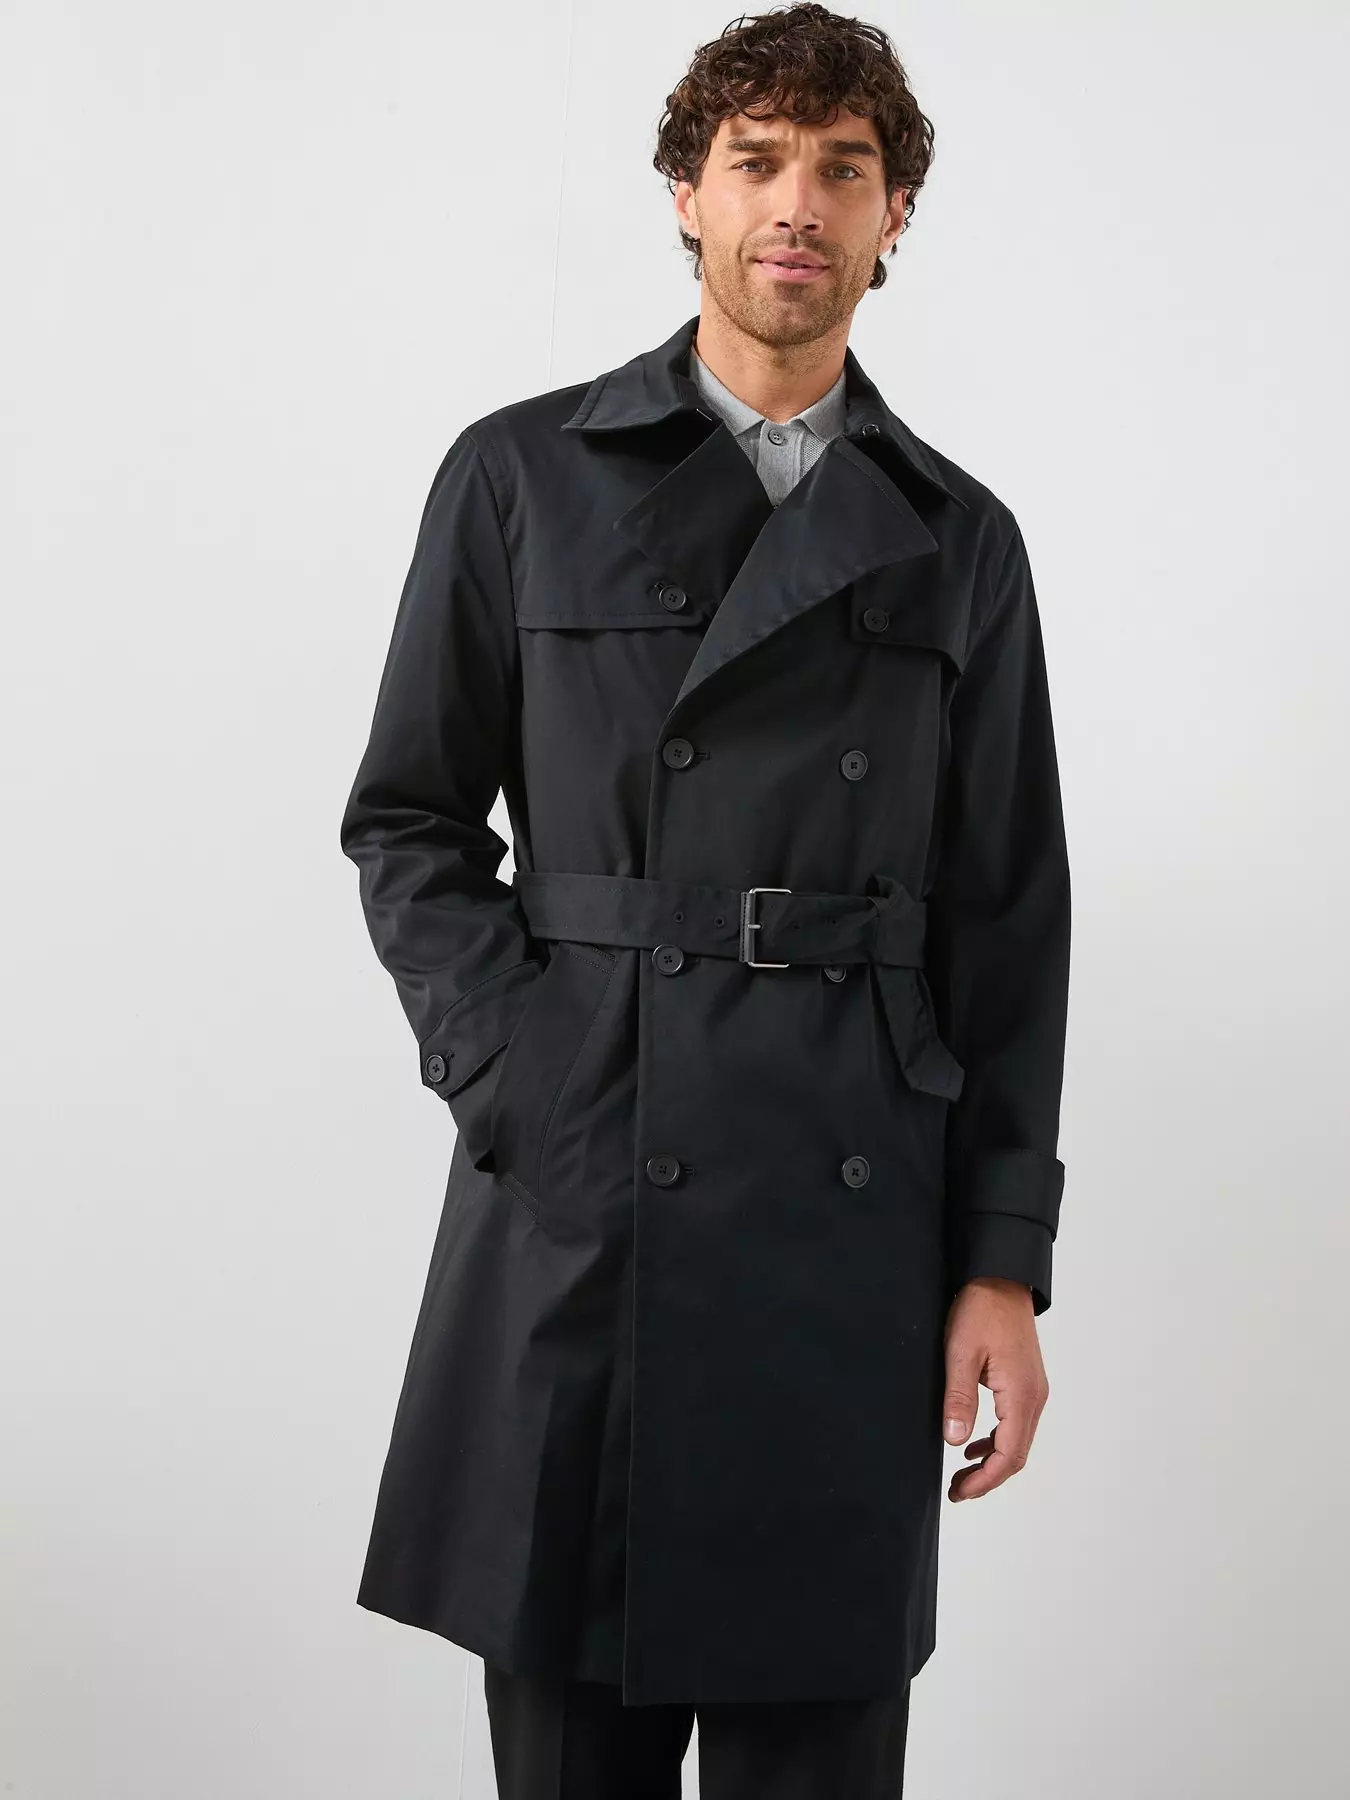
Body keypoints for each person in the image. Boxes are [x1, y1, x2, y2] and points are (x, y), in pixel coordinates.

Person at [339, 4, 1071, 1794]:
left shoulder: (959, 537)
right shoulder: (519, 474)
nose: (796, 203)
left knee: (816, 1741)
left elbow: (1006, 918)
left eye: (842, 168)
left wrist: (1000, 1260)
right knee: (567, 1750)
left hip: (849, 1221)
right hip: (585, 1196)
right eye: (756, 162)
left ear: (893, 216)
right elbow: (410, 820)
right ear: (688, 194)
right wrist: (518, 1071)